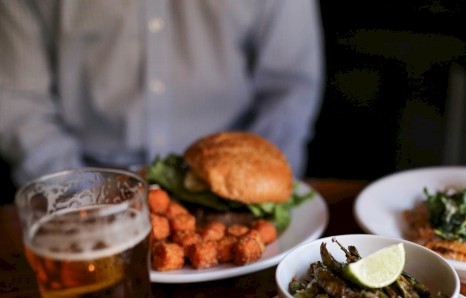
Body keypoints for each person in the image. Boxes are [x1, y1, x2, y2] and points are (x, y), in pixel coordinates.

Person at [0, 0, 325, 192]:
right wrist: (79, 197)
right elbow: (18, 100)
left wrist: (261, 189)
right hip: (85, 178)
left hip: (233, 179)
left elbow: (289, 86)